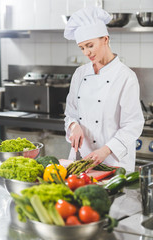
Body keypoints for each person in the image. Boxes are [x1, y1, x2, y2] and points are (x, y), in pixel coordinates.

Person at [63, 6, 144, 172]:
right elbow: (70, 113)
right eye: (82, 48)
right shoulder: (80, 73)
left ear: (105, 39)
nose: (86, 52)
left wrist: (105, 150)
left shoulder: (125, 77)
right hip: (82, 160)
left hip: (112, 160)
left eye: (90, 45)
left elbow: (132, 125)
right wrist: (73, 126)